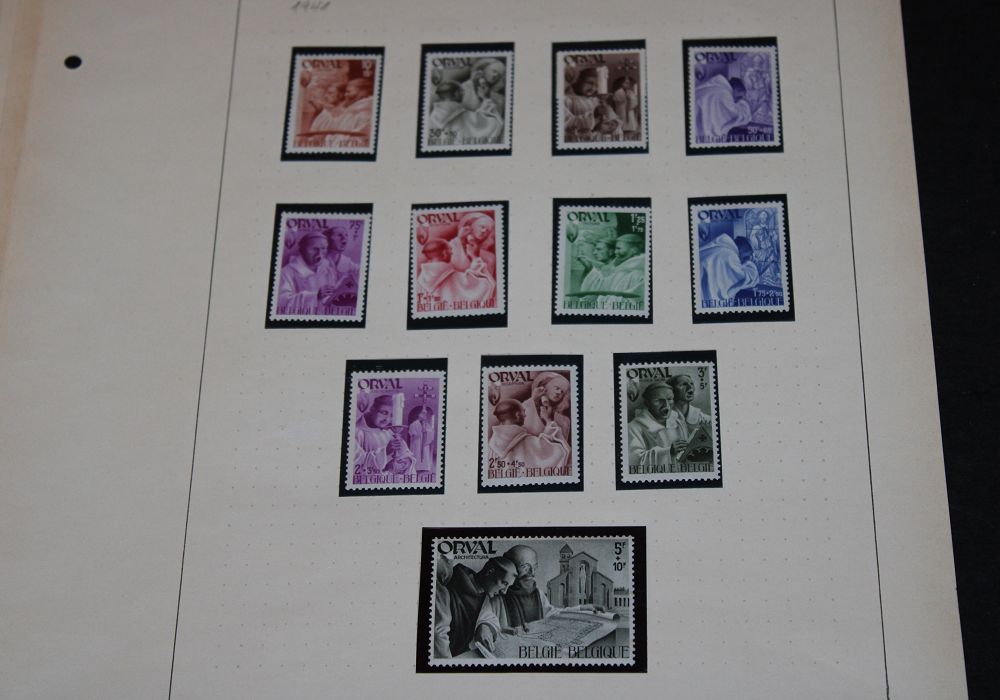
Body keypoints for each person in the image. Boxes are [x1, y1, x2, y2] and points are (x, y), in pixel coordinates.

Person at [476, 545, 604, 638]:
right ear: (511, 566)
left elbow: (552, 614)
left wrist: (582, 609)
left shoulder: (537, 592)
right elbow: (485, 617)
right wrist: (486, 627)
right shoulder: (497, 592)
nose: (532, 573)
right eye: (525, 567)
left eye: (534, 567)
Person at [434, 556, 517, 658]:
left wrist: (484, 626)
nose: (504, 591)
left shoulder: (483, 594)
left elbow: (489, 617)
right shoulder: (449, 585)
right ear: (490, 572)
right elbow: (438, 634)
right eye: (504, 583)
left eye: (508, 586)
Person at [488, 398, 569, 471]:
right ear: (517, 415)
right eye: (523, 411)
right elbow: (558, 451)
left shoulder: (492, 444)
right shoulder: (527, 441)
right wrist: (548, 420)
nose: (525, 415)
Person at [415, 238, 495, 308]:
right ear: (444, 253)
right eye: (450, 250)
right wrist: (475, 256)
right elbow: (485, 284)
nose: (452, 253)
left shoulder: (420, 280)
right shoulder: (453, 277)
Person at [277, 231, 341, 315]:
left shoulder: (328, 268)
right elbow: (282, 303)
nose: (319, 254)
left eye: (323, 248)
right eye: (314, 249)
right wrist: (315, 296)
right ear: (302, 251)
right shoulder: (287, 272)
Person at [627, 381, 685, 471]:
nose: (666, 405)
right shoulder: (633, 428)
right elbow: (634, 462)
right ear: (647, 403)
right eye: (658, 401)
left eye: (670, 399)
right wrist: (668, 452)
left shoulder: (678, 422)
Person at [354, 394, 414, 477]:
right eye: (384, 413)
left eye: (392, 415)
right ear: (372, 409)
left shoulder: (390, 433)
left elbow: (406, 454)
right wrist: (385, 452)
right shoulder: (358, 432)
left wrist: (406, 461)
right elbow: (358, 464)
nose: (387, 419)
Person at [428, 80, 503, 143]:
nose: (463, 94)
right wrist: (485, 98)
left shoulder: (432, 117)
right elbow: (493, 123)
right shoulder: (463, 116)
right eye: (460, 91)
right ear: (455, 93)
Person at [699, 231, 759, 304]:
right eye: (745, 257)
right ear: (743, 250)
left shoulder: (719, 248)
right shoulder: (730, 256)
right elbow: (746, 277)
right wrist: (750, 263)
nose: (742, 260)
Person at [694, 74, 752, 141]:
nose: (737, 101)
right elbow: (738, 115)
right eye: (739, 97)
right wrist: (744, 103)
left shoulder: (715, 86)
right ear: (737, 89)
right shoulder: (724, 94)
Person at [520, 372, 572, 446]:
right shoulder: (524, 408)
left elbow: (562, 448)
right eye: (557, 388)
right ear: (544, 386)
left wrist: (548, 420)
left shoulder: (564, 421)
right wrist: (533, 400)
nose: (559, 393)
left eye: (562, 392)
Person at [326, 77, 374, 147]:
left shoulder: (365, 113)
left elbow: (358, 140)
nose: (345, 95)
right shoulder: (353, 110)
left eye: (349, 92)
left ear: (363, 93)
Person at [666, 374, 712, 442]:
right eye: (683, 384)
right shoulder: (664, 419)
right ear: (672, 390)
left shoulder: (703, 419)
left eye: (691, 384)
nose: (690, 387)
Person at [563, 67, 602, 140]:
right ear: (579, 80)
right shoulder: (566, 99)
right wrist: (594, 116)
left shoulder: (595, 100)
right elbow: (568, 123)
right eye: (590, 83)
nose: (593, 88)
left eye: (597, 85)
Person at [407, 405, 436, 474]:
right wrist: (418, 434)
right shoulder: (414, 424)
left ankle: (424, 467)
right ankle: (416, 467)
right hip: (416, 442)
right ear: (419, 416)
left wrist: (426, 432)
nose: (423, 417)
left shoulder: (426, 424)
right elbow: (412, 432)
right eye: (422, 415)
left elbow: (431, 431)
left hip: (424, 441)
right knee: (417, 453)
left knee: (425, 454)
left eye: (424, 416)